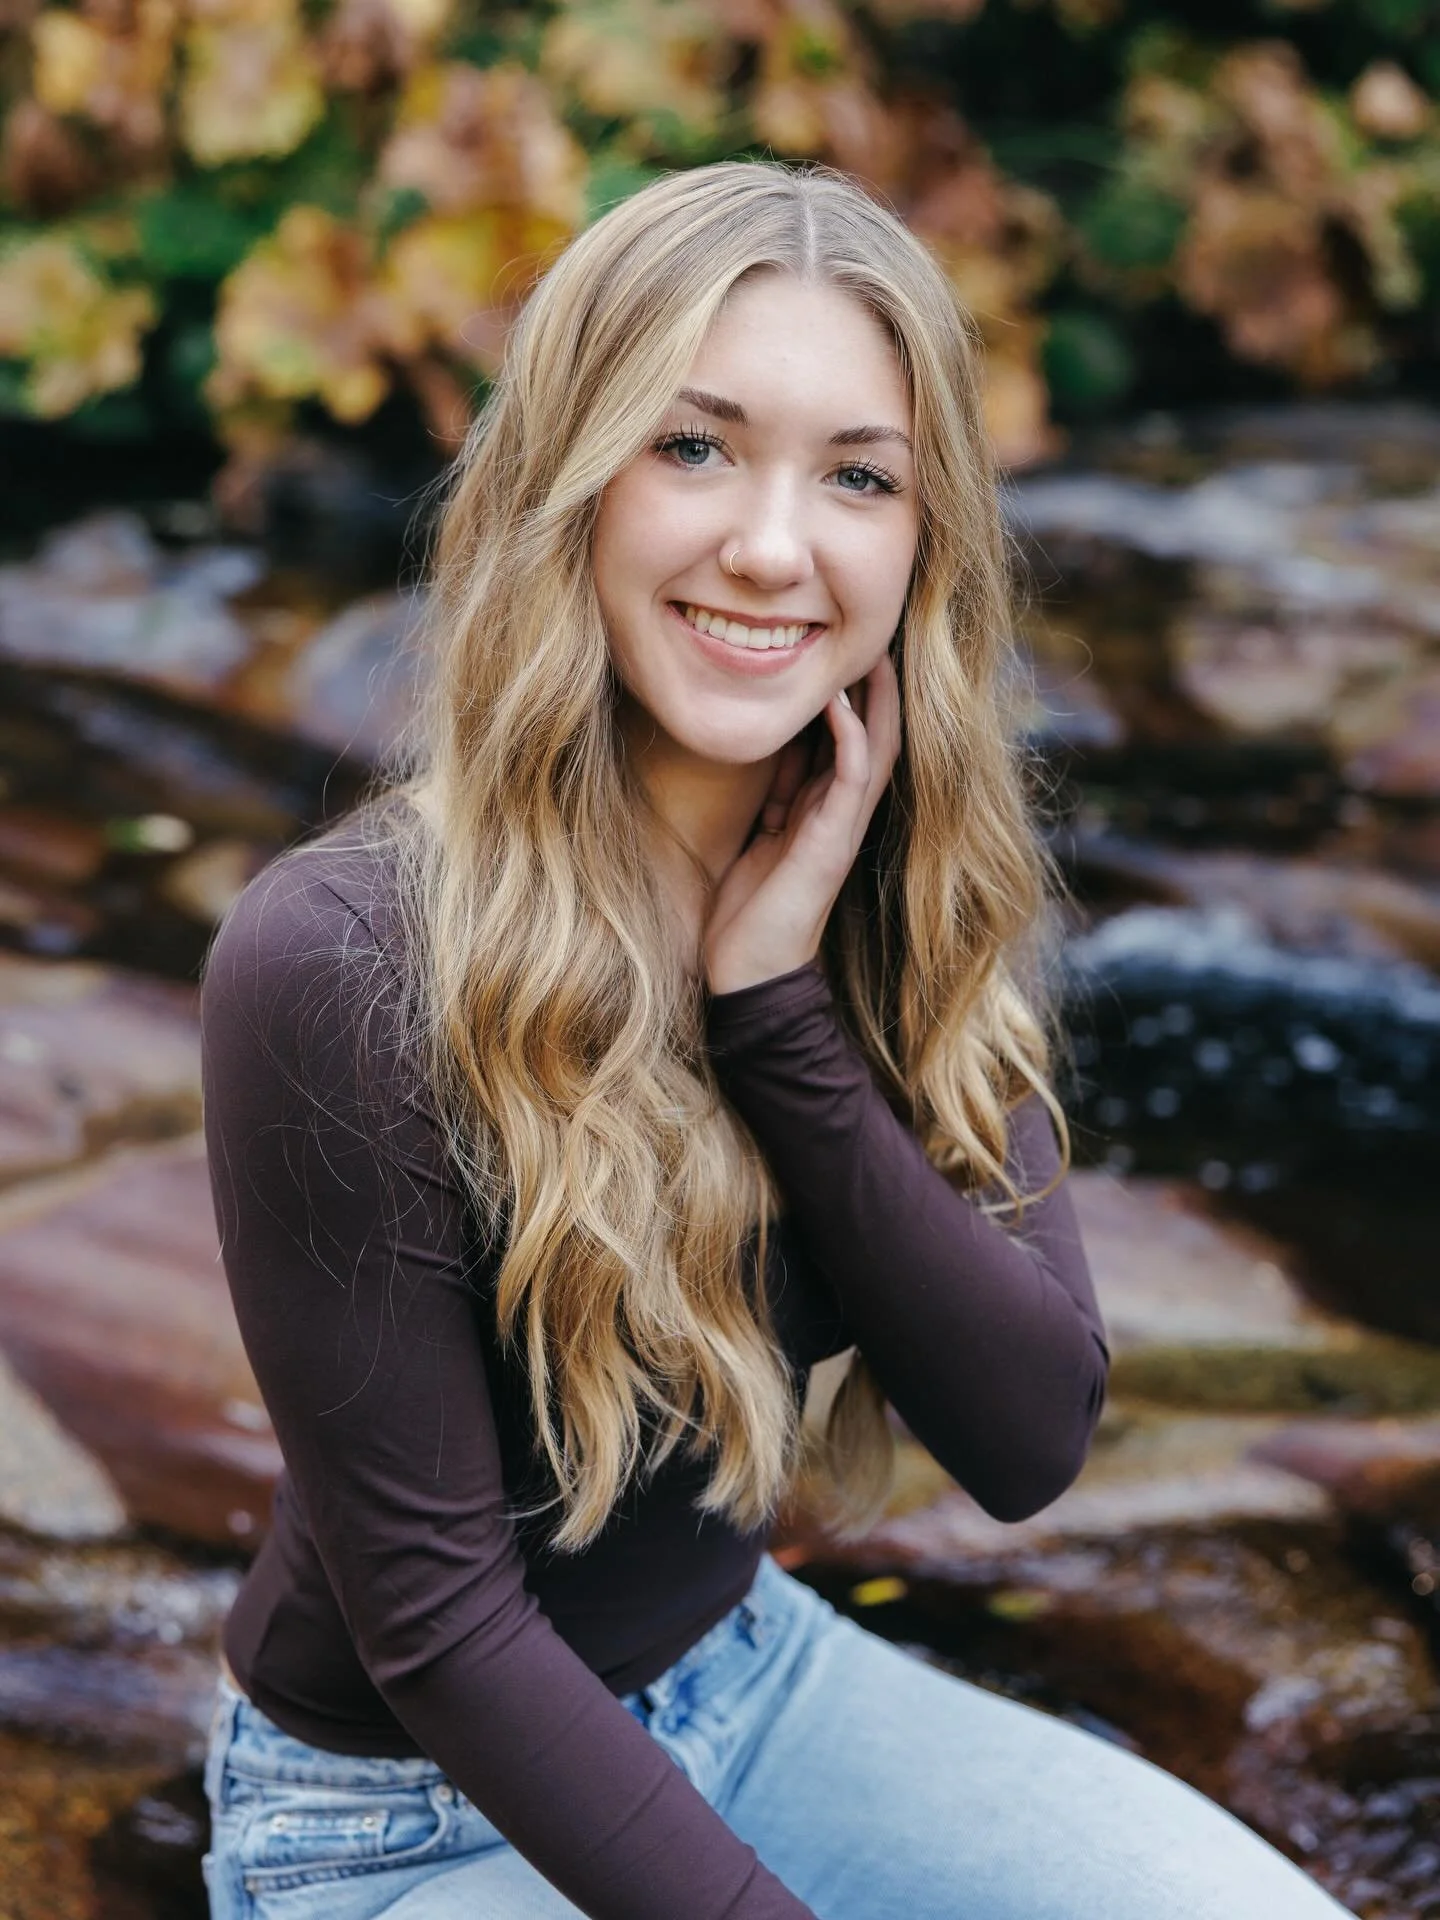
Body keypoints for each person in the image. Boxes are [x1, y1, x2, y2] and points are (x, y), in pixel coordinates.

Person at [197, 159, 1353, 1919]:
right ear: (568, 478)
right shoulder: (340, 956)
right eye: (693, 447)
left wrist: (778, 1016)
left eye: (858, 477)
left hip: (753, 1682)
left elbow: (1031, 1437)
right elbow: (439, 1630)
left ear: (922, 538)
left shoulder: (913, 884)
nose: (770, 543)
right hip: (396, 1818)